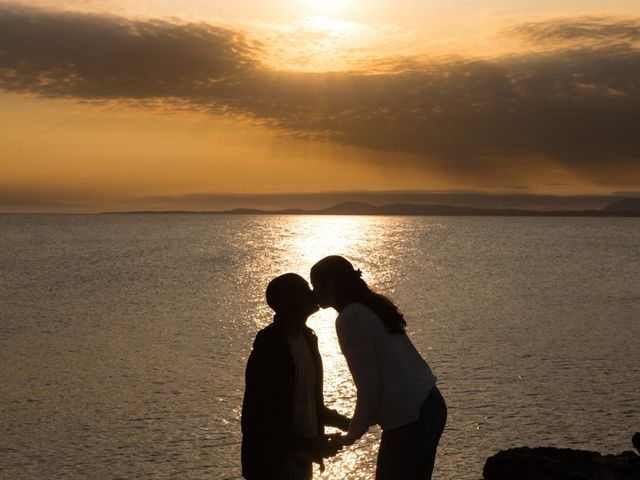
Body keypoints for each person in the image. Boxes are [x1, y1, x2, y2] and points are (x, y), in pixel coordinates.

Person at [310, 255, 447, 480]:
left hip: (411, 416)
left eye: (316, 285)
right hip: (430, 405)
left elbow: (369, 387)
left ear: (330, 285)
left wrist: (351, 435)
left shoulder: (349, 318)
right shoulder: (370, 307)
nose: (314, 293)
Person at [241, 273, 350, 480]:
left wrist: (349, 423)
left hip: (301, 458)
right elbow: (260, 420)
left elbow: (312, 404)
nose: (311, 293)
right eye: (303, 289)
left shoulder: (309, 340)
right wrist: (310, 444)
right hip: (273, 463)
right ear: (288, 302)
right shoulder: (269, 347)